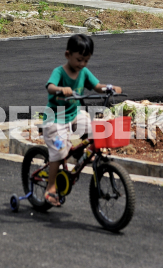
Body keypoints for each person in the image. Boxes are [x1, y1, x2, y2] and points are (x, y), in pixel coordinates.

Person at [42, 34, 121, 206]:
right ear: (67, 55)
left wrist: (109, 88)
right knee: (59, 152)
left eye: (86, 60)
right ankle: (51, 187)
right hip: (55, 118)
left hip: (73, 115)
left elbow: (97, 87)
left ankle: (80, 153)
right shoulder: (59, 72)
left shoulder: (83, 72)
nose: (82, 64)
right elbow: (50, 87)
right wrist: (61, 90)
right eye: (79, 60)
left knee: (93, 128)